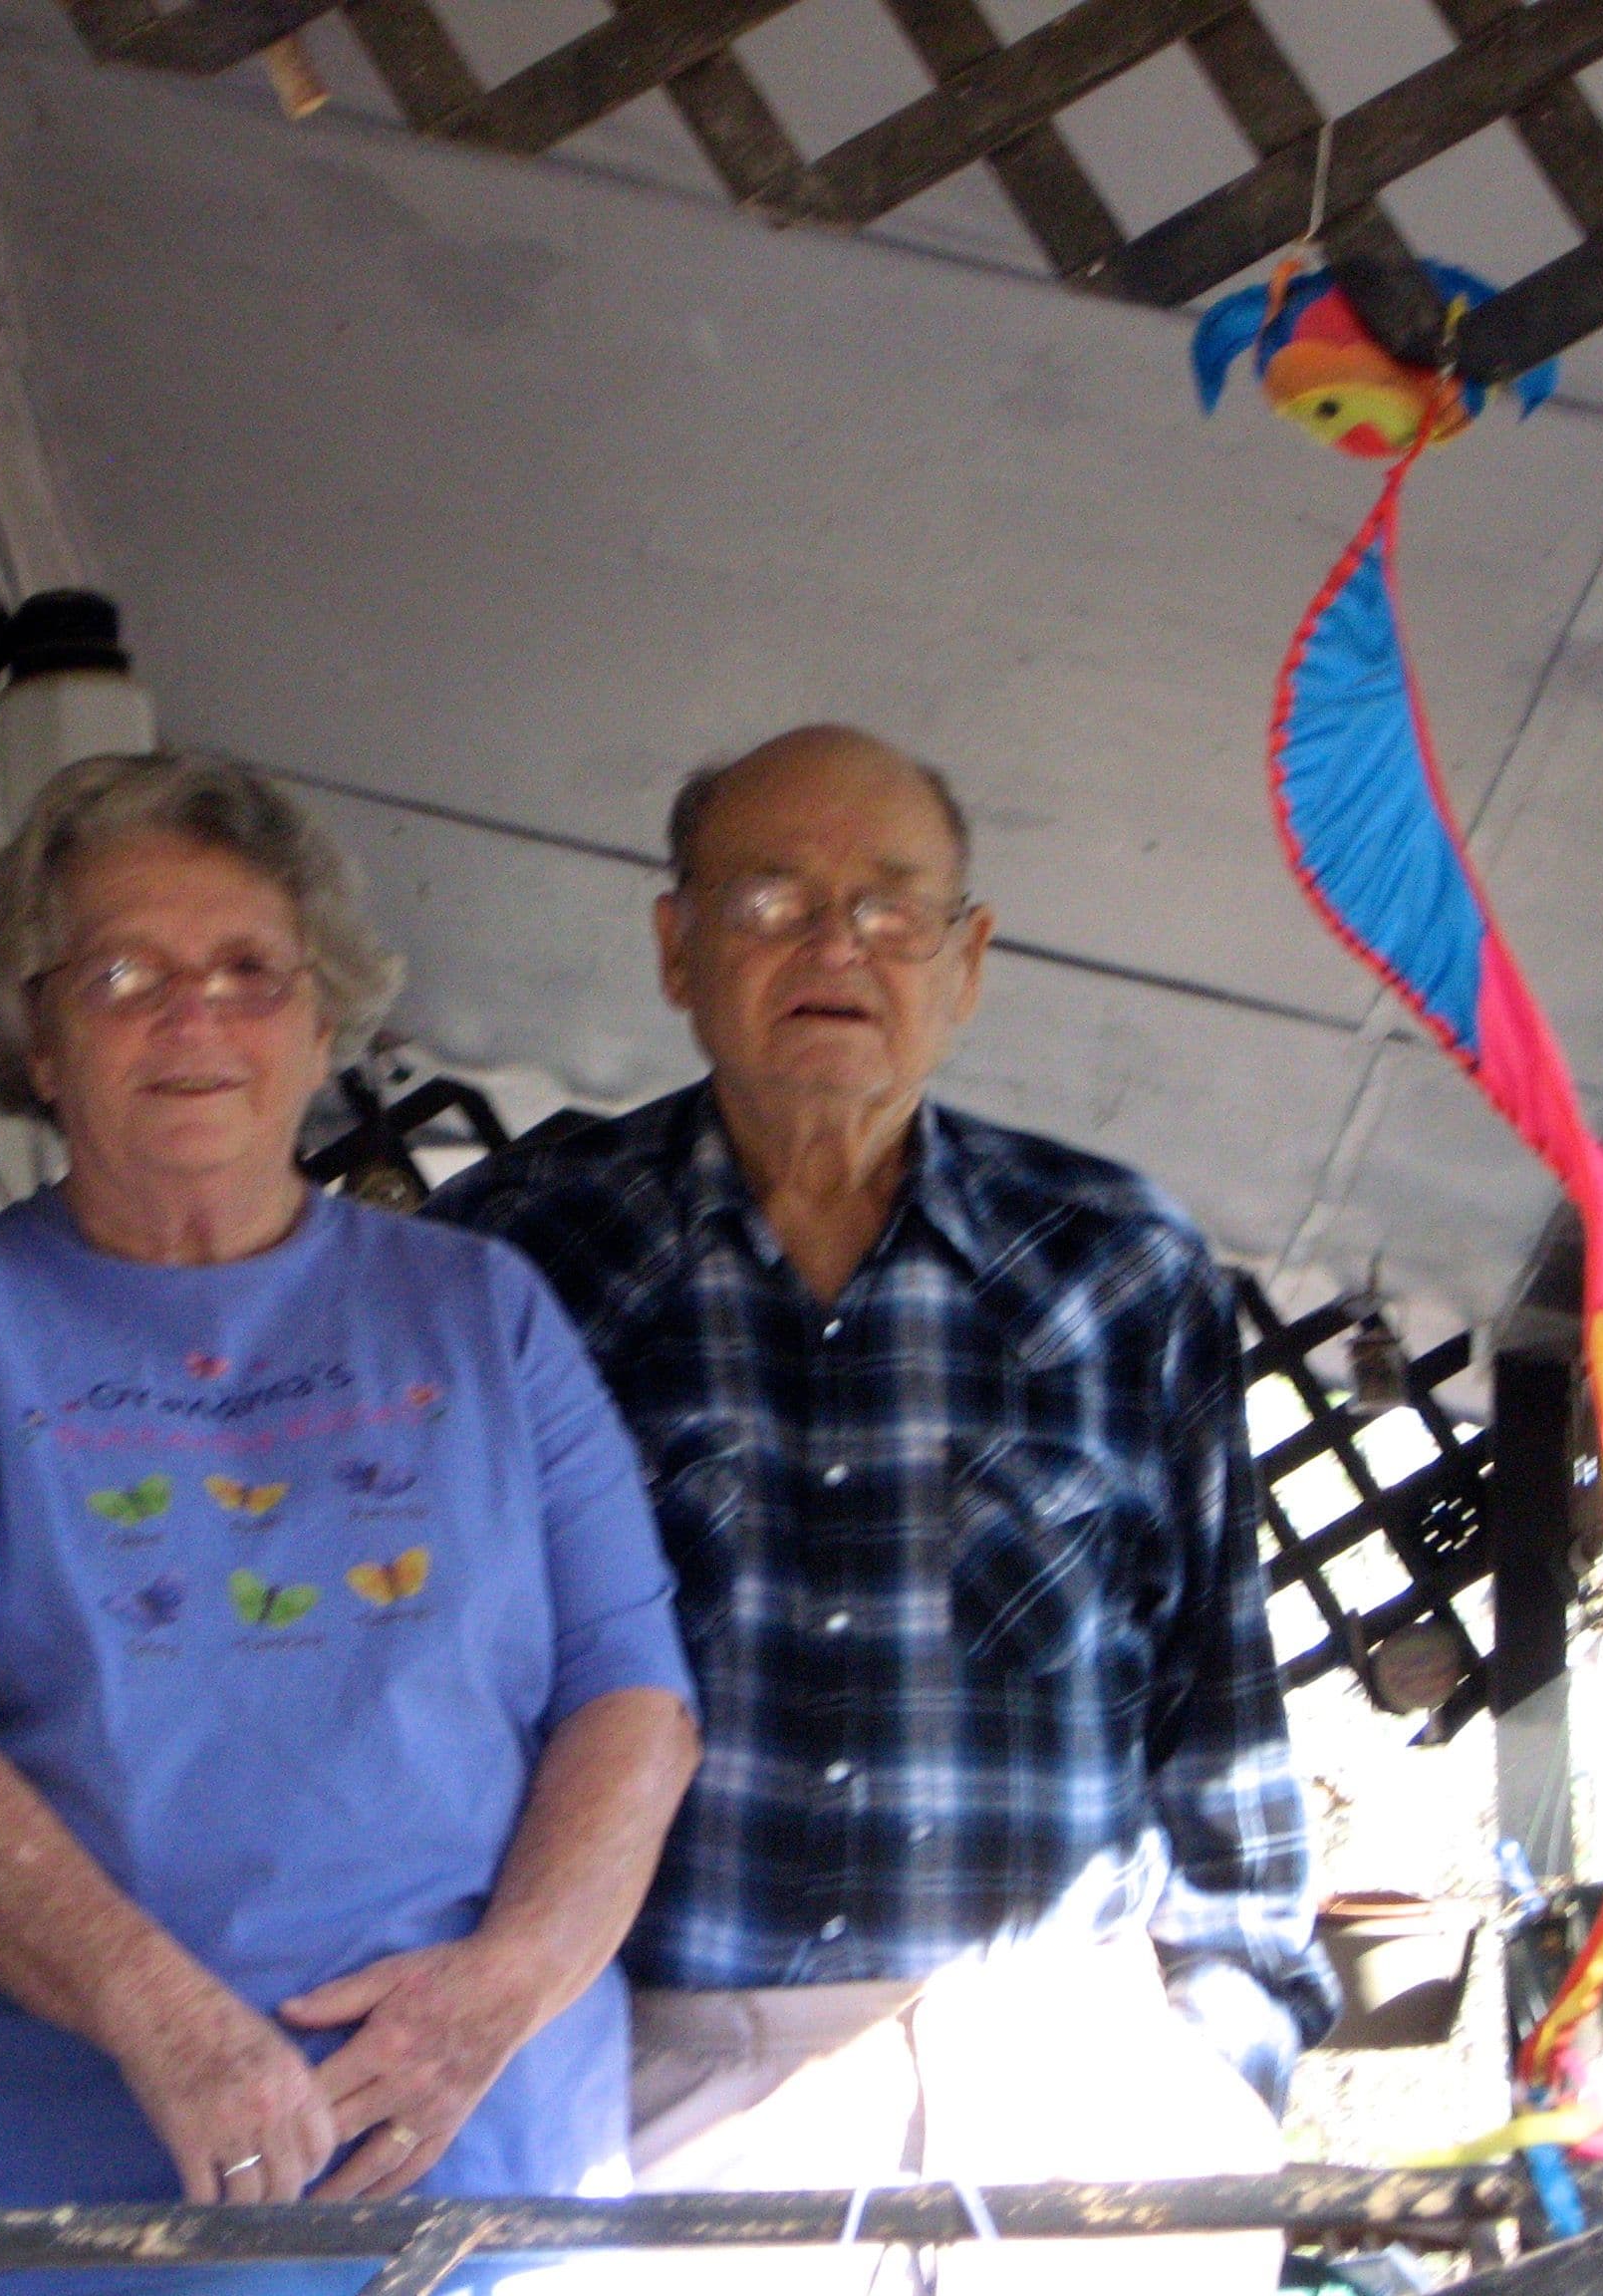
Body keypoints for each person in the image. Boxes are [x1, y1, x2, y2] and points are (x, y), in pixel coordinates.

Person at [432, 725, 1336, 2294]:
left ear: (967, 960)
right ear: (675, 947)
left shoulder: (1121, 1265)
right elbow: (433, 1688)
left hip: (1077, 2090)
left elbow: (1223, 1711)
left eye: (891, 908)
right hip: (666, 2094)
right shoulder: (526, 1260)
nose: (835, 946)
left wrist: (1224, 2063)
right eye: (772, 899)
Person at [0, 751, 701, 2296]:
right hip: (79, 2187)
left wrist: (500, 1991)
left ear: (322, 1019)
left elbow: (636, 1699)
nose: (194, 1020)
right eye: (125, 972)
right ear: (34, 1030)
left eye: (248, 973)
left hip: (477, 2157)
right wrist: (165, 2015)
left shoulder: (480, 1312)